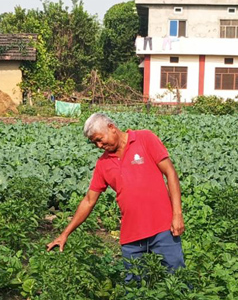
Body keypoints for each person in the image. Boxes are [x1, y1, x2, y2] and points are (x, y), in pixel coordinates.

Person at [47, 113, 185, 277]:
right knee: (135, 291)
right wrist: (65, 234)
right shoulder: (103, 164)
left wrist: (177, 214)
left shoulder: (144, 139)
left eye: (100, 139)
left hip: (163, 229)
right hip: (132, 238)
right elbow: (89, 201)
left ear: (111, 127)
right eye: (94, 143)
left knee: (177, 281)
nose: (99, 145)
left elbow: (171, 173)